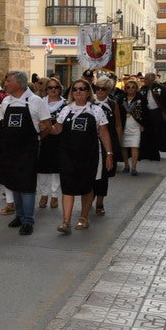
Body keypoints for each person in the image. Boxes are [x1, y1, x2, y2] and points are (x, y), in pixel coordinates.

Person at [50, 79, 114, 234]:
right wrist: (45, 127)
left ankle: (84, 217)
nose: (78, 92)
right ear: (72, 92)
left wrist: (109, 154)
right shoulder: (65, 110)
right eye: (75, 89)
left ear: (88, 92)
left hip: (90, 154)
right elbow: (57, 129)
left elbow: (104, 133)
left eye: (82, 89)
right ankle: (66, 222)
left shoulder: (96, 110)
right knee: (68, 187)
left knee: (87, 187)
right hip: (67, 154)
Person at [0, 70, 51, 236]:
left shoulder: (35, 101)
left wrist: (36, 139)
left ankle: (28, 220)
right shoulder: (6, 101)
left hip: (28, 150)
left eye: (8, 81)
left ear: (18, 84)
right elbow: (1, 124)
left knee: (26, 185)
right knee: (14, 183)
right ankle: (19, 216)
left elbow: (47, 125)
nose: (5, 84)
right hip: (8, 149)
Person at [92, 76, 123, 215]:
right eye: (97, 88)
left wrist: (117, 144)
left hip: (107, 143)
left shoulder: (113, 104)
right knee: (90, 172)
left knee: (103, 174)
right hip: (91, 142)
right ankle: (89, 198)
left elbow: (117, 125)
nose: (99, 91)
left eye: (103, 89)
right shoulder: (89, 103)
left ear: (109, 90)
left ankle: (100, 202)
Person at [37, 77, 64, 210]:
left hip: (58, 139)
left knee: (56, 169)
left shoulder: (65, 104)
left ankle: (54, 195)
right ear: (46, 89)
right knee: (42, 169)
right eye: (50, 87)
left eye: (56, 87)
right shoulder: (40, 103)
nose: (53, 90)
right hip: (43, 139)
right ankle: (44, 194)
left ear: (60, 89)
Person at [119, 78, 147, 175]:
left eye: (133, 87)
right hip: (124, 126)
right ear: (125, 89)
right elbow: (117, 113)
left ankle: (134, 168)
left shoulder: (141, 99)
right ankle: (126, 165)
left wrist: (143, 124)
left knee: (135, 146)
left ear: (136, 88)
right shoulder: (121, 98)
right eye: (128, 87)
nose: (131, 89)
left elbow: (145, 113)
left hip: (135, 127)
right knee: (124, 146)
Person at [139, 72, 166, 153]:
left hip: (157, 113)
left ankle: (156, 148)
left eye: (146, 78)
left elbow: (164, 101)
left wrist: (165, 113)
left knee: (157, 131)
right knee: (146, 131)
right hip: (146, 113)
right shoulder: (143, 89)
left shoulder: (159, 88)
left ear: (152, 79)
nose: (144, 80)